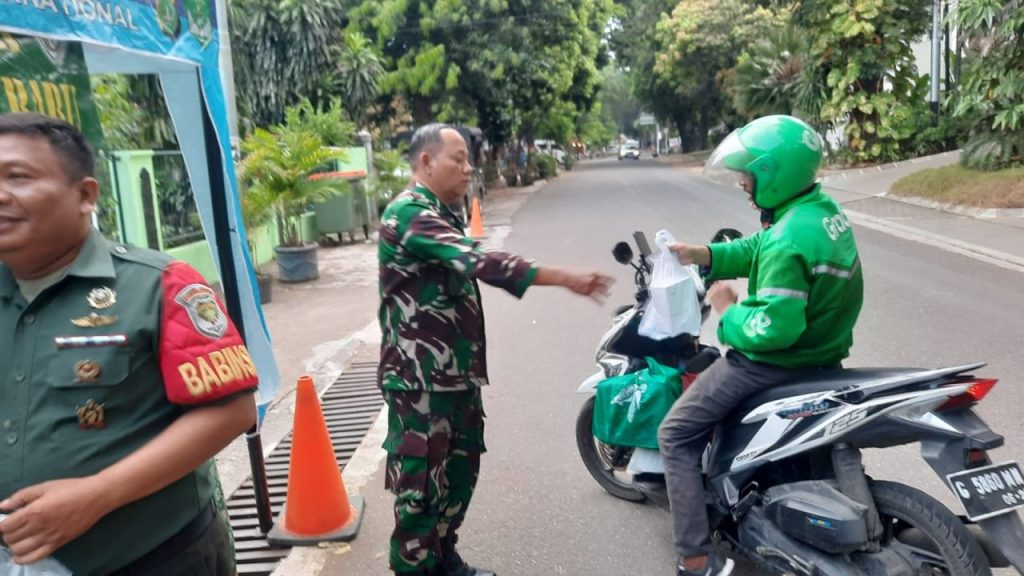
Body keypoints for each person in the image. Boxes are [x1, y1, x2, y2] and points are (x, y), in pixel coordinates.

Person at [0, 112, 258, 575]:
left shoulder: (159, 285)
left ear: (84, 195)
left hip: (153, 557)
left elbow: (231, 410)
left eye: (17, 177)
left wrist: (96, 495)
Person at [378, 123, 613, 576]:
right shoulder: (409, 214)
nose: (469, 168)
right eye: (459, 159)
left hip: (455, 375)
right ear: (426, 162)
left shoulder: (442, 211)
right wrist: (563, 277)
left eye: (469, 159)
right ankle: (414, 569)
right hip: (420, 381)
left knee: (459, 475)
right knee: (421, 487)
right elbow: (479, 261)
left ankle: (445, 560)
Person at [659, 115, 863, 576]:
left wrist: (729, 311)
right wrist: (707, 255)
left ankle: (695, 559)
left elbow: (774, 330)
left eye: (749, 175)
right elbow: (759, 246)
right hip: (824, 355)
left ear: (773, 174)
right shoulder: (818, 212)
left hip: (774, 362)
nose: (743, 185)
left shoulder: (791, 237)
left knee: (674, 434)